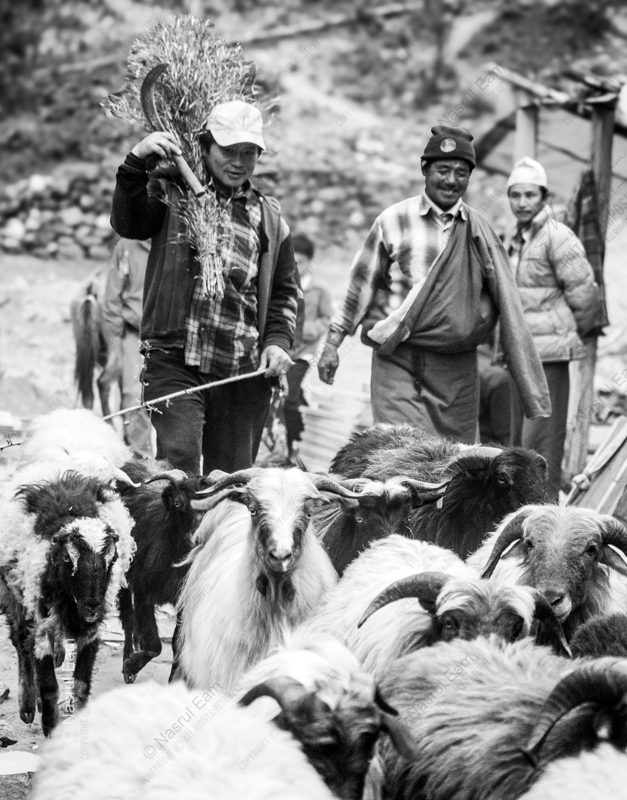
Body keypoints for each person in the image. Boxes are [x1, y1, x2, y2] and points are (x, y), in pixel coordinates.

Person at [317, 124, 551, 444]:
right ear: (425, 169)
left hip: (457, 373)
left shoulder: (479, 231)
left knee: (453, 467)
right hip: (397, 362)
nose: (452, 180)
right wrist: (332, 345)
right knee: (401, 456)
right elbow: (360, 289)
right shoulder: (393, 221)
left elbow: (508, 306)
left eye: (461, 172)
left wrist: (528, 381)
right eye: (443, 170)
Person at [110, 100, 299, 475]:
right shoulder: (173, 193)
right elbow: (128, 222)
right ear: (205, 145)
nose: (239, 162)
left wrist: (277, 343)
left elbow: (284, 292)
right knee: (178, 466)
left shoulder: (269, 219)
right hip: (174, 358)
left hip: (240, 368)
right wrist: (135, 163)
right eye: (229, 151)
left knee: (229, 481)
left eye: (249, 153)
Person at [505, 156, 603, 501]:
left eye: (530, 195)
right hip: (521, 353)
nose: (522, 203)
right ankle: (521, 513)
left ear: (544, 197)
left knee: (542, 441)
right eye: (515, 196)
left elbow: (584, 290)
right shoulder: (517, 238)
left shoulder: (558, 236)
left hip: (549, 354)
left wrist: (584, 331)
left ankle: (544, 511)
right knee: (520, 442)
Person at [100, 237, 154, 459]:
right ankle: (139, 461)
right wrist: (114, 347)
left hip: (168, 335)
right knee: (134, 396)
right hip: (135, 333)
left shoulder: (174, 241)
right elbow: (112, 300)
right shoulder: (126, 247)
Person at [283, 233, 333, 460]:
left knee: (289, 399)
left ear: (310, 262)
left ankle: (295, 445)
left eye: (300, 262)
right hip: (283, 349)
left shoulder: (319, 291)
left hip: (303, 354)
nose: (296, 266)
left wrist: (308, 329)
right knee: (289, 397)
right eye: (293, 262)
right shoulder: (285, 286)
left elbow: (327, 319)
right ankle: (298, 432)